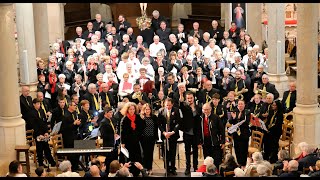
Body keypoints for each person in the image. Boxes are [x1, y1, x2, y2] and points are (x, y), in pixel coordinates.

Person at [28, 98, 56, 169]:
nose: (39, 105)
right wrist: (39, 134)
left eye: (39, 104)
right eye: (37, 104)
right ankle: (40, 163)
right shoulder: (31, 113)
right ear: (34, 104)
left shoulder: (42, 111)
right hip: (38, 134)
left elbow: (44, 122)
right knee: (40, 149)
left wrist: (46, 132)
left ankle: (51, 161)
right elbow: (34, 125)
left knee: (46, 148)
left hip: (44, 133)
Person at [120, 102, 146, 177]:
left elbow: (142, 126)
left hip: (136, 141)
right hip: (128, 142)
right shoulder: (124, 119)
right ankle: (130, 172)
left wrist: (143, 119)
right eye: (130, 109)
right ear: (127, 110)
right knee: (129, 157)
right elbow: (123, 132)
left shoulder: (137, 117)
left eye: (133, 109)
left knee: (137, 156)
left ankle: (137, 171)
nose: (132, 111)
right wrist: (123, 142)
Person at [179, 91, 201, 175]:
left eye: (191, 98)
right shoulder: (184, 106)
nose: (189, 100)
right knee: (187, 151)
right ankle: (187, 167)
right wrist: (181, 96)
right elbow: (181, 104)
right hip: (187, 133)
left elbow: (199, 118)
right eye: (188, 98)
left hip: (196, 133)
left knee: (195, 152)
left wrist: (193, 109)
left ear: (194, 98)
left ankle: (195, 167)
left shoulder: (198, 107)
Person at [158, 98, 181, 175]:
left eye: (169, 105)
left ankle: (173, 168)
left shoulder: (176, 110)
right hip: (165, 135)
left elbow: (178, 123)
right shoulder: (161, 111)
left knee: (173, 152)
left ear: (172, 104)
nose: (168, 106)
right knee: (165, 153)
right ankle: (167, 168)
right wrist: (164, 132)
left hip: (173, 135)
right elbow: (159, 124)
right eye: (167, 105)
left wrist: (173, 132)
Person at [198, 103, 225, 169]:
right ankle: (208, 173)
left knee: (216, 160)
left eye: (207, 109)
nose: (206, 111)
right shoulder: (200, 118)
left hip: (214, 141)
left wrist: (222, 142)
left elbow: (222, 130)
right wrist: (199, 142)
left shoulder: (216, 117)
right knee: (207, 159)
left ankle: (216, 173)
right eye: (204, 110)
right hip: (205, 141)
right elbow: (198, 131)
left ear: (210, 109)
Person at [59, 101, 81, 172]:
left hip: (75, 135)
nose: (75, 107)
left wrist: (77, 124)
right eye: (74, 105)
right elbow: (64, 129)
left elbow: (74, 126)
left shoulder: (74, 114)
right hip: (68, 138)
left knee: (77, 152)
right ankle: (72, 168)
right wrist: (74, 124)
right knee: (71, 154)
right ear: (70, 106)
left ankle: (76, 165)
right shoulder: (65, 116)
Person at [229, 100, 250, 167]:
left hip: (244, 134)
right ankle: (239, 162)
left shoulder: (247, 112)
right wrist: (234, 118)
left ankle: (243, 163)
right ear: (237, 105)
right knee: (237, 148)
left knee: (244, 149)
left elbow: (247, 122)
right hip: (236, 134)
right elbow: (230, 121)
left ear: (244, 105)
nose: (240, 106)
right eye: (239, 104)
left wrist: (238, 119)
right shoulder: (234, 111)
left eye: (241, 104)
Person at [140, 103, 158, 175]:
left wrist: (156, 137)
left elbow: (156, 128)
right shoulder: (141, 118)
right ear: (143, 110)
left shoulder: (154, 117)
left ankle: (150, 168)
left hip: (151, 138)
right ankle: (145, 168)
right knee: (144, 154)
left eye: (149, 109)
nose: (147, 111)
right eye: (146, 109)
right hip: (143, 138)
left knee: (150, 154)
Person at [99, 107, 119, 174]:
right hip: (107, 144)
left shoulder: (111, 120)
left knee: (114, 160)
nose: (111, 113)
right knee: (109, 161)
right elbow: (103, 135)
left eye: (112, 112)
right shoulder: (103, 122)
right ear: (106, 113)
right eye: (110, 112)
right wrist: (112, 136)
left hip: (113, 143)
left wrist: (115, 135)